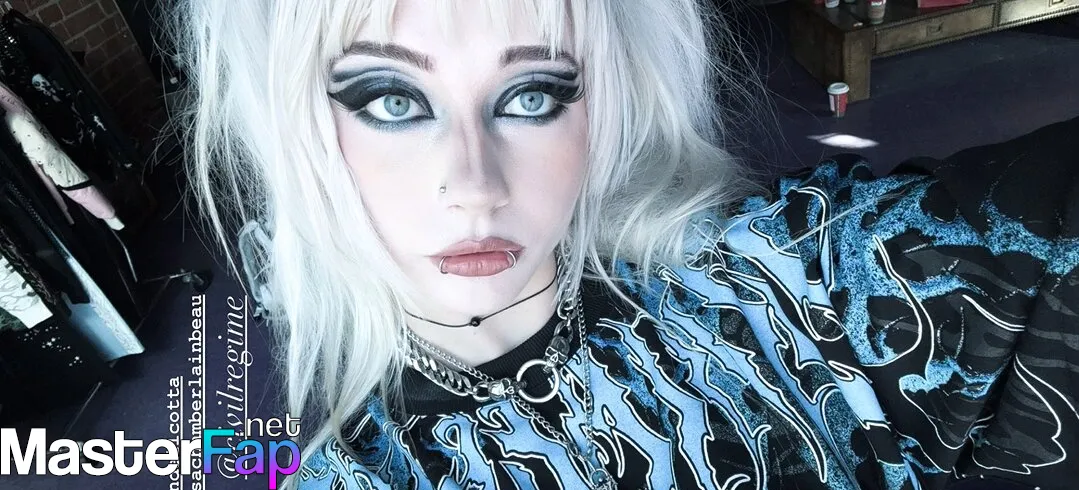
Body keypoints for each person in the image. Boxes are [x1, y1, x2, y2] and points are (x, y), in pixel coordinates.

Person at [169, 0, 1079, 488]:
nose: (474, 185)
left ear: (602, 109)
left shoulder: (783, 276)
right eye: (392, 100)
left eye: (531, 95)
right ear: (296, 130)